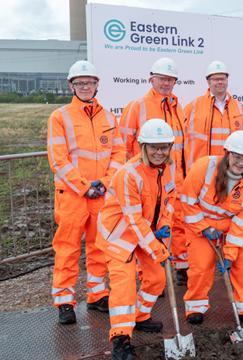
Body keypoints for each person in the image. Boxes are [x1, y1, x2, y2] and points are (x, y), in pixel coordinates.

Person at [46, 60, 125, 324]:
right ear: (71, 86)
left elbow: (119, 152)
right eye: (79, 83)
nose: (85, 87)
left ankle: (97, 294)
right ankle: (65, 302)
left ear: (96, 85)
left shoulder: (109, 117)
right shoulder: (60, 116)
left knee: (98, 247)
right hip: (72, 196)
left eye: (89, 82)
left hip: (101, 193)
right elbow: (58, 159)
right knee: (67, 249)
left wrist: (105, 181)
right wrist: (84, 186)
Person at [96, 119, 177, 360]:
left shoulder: (168, 168)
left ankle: (140, 316)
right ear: (143, 147)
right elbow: (133, 219)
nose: (159, 152)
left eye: (164, 147)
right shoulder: (128, 174)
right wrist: (157, 249)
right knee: (124, 286)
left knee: (156, 278)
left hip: (146, 232)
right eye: (154, 147)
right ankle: (120, 338)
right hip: (119, 236)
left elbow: (169, 201)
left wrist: (164, 224)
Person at [119, 57, 189, 283]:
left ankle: (180, 264)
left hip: (173, 176)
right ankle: (150, 277)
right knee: (149, 223)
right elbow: (124, 143)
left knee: (175, 221)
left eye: (170, 80)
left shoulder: (177, 106)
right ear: (152, 79)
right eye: (162, 79)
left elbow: (181, 144)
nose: (166, 83)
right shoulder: (138, 106)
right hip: (145, 178)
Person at [181, 130, 243, 326]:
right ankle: (195, 306)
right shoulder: (204, 167)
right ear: (227, 153)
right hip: (200, 223)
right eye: (237, 156)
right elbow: (186, 202)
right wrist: (203, 227)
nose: (241, 163)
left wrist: (230, 254)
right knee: (201, 265)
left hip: (231, 226)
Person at [184, 60, 243, 169]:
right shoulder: (193, 107)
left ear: (227, 80)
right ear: (208, 82)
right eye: (216, 79)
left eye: (223, 79)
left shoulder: (239, 108)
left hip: (230, 169)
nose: (220, 82)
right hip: (202, 169)